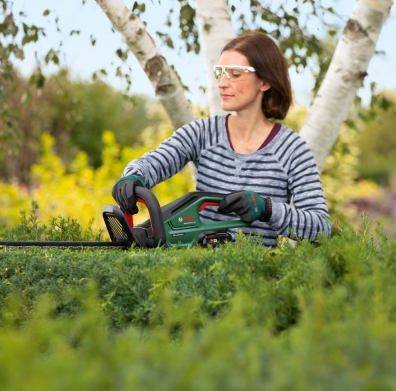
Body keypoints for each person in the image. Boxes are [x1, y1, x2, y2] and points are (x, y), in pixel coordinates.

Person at [112, 32, 331, 247]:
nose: (222, 83)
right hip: (198, 266)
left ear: (264, 81)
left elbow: (321, 228)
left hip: (257, 269)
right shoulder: (203, 132)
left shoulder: (292, 150)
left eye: (235, 74)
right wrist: (134, 176)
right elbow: (157, 160)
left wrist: (267, 209)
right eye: (220, 73)